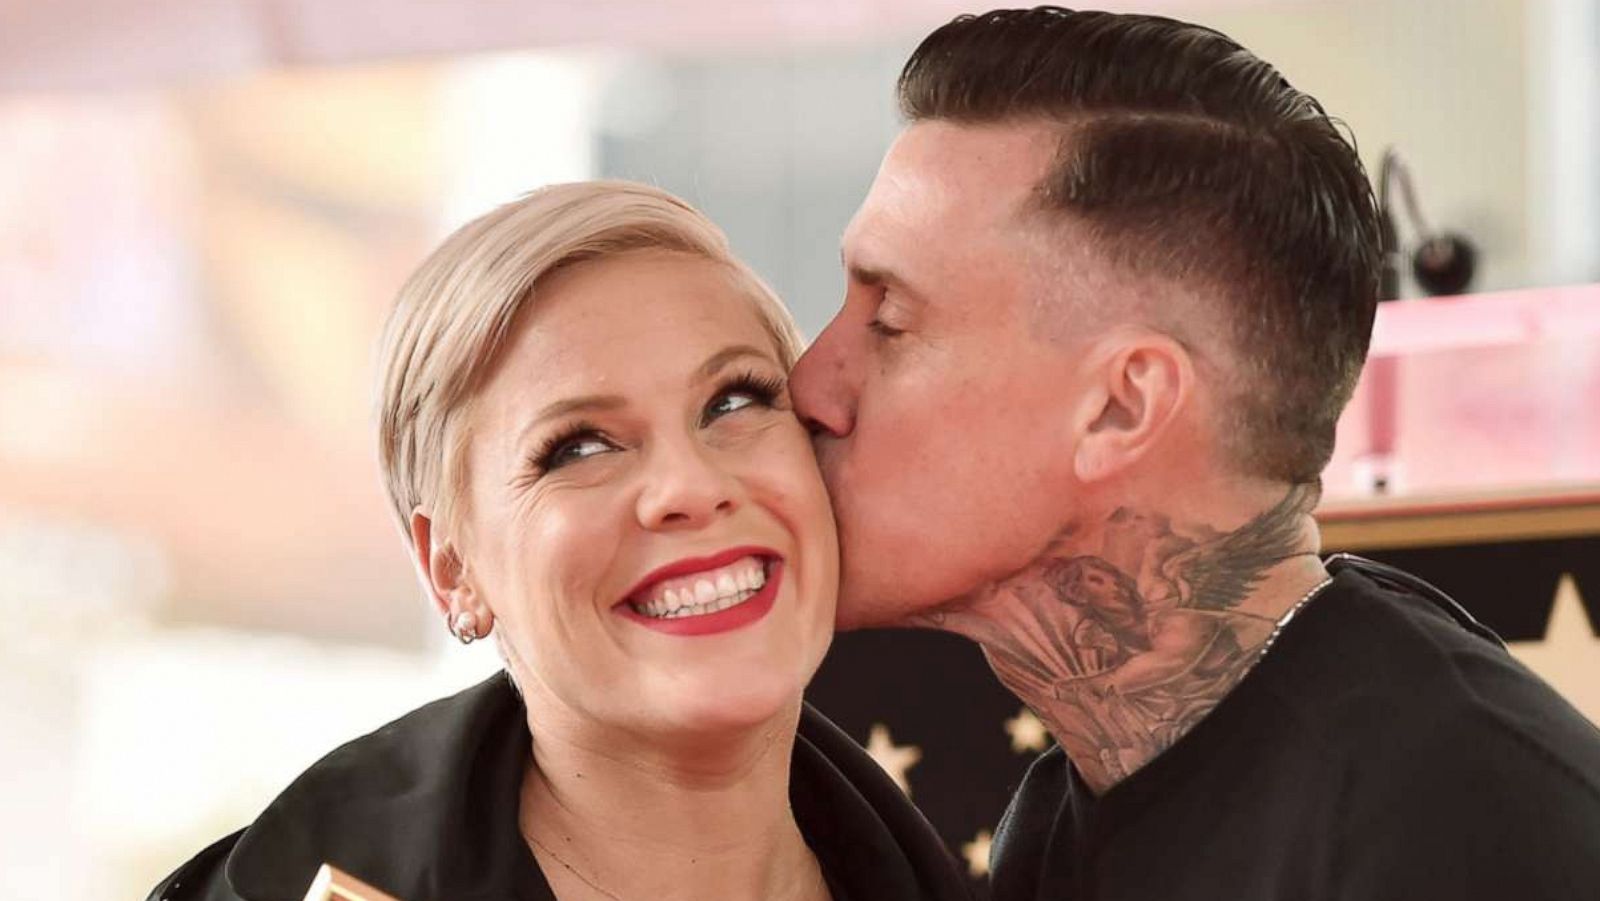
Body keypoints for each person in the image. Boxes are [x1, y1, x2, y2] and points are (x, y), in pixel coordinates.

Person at [790, 7, 1600, 900]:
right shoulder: (1066, 818)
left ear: (1120, 406)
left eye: (890, 323)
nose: (810, 384)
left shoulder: (1462, 836)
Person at [148, 181, 970, 901]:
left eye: (734, 401)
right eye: (579, 447)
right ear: (453, 571)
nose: (690, 485)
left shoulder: (1008, 856)